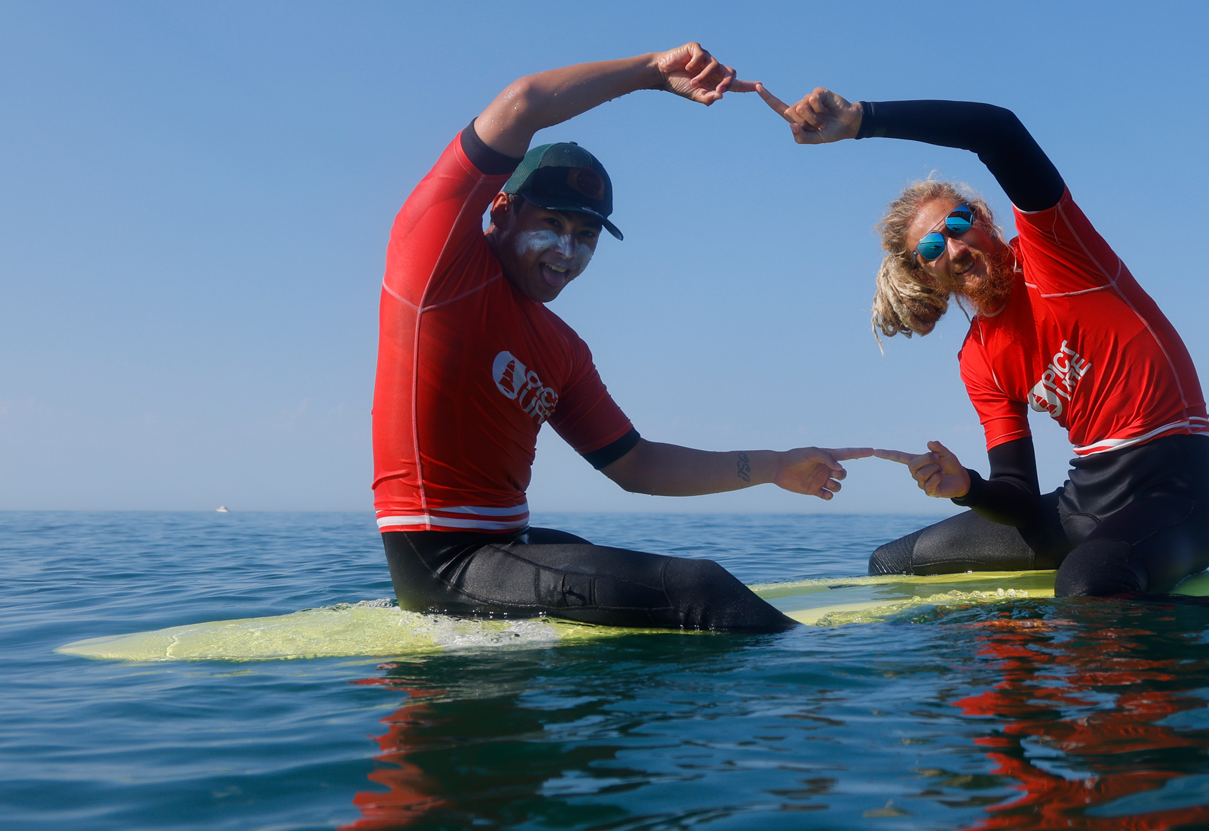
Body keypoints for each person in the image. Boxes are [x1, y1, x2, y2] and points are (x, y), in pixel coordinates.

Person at [372, 44, 869, 632]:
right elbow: (524, 104)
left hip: (506, 542)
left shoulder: (563, 349)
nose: (566, 252)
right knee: (698, 588)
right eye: (551, 225)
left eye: (586, 234)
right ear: (502, 210)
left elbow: (635, 464)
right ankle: (817, 693)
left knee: (647, 575)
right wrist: (651, 74)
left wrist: (776, 465)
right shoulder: (439, 265)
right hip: (443, 561)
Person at [756, 85, 1209, 597]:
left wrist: (861, 119)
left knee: (1088, 581)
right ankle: (1011, 675)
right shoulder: (979, 359)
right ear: (928, 275)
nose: (954, 247)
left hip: (1174, 494)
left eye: (959, 223)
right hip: (1083, 504)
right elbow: (1019, 495)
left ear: (985, 217)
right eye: (932, 248)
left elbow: (997, 130)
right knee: (891, 564)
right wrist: (968, 487)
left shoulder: (1059, 253)